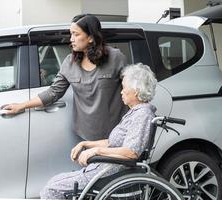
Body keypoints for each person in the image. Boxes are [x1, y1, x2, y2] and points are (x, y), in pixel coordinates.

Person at [40, 63, 157, 199]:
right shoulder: (135, 113)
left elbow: (131, 152)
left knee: (52, 189)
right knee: (54, 182)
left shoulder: (142, 115)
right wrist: (86, 144)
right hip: (104, 169)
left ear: (135, 91)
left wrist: (96, 151)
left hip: (111, 173)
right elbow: (113, 142)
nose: (121, 91)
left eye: (124, 88)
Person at [4, 14, 127, 141]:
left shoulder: (115, 57)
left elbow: (131, 90)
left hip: (116, 134)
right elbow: (53, 92)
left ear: (90, 37)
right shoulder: (69, 63)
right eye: (71, 34)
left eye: (76, 34)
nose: (71, 39)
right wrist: (22, 105)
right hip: (85, 135)